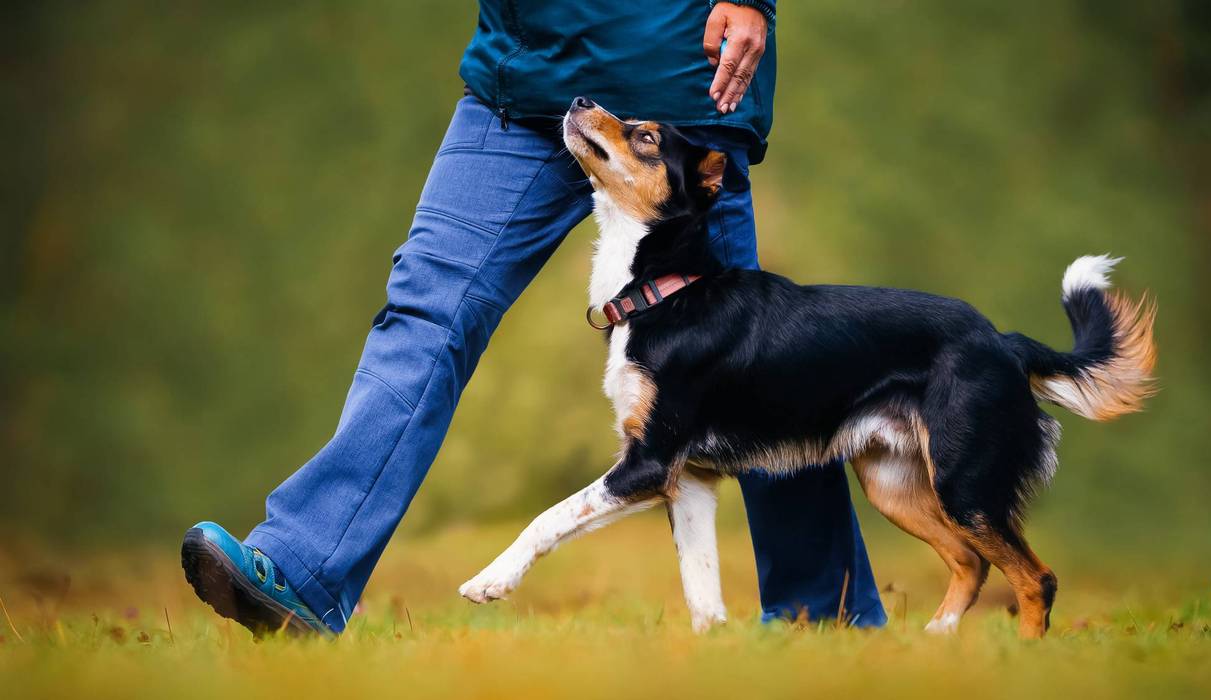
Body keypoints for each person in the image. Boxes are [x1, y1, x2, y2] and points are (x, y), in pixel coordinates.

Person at [181, 0, 887, 635]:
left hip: (675, 79)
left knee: (761, 360)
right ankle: (304, 571)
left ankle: (822, 615)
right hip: (521, 79)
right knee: (424, 310)